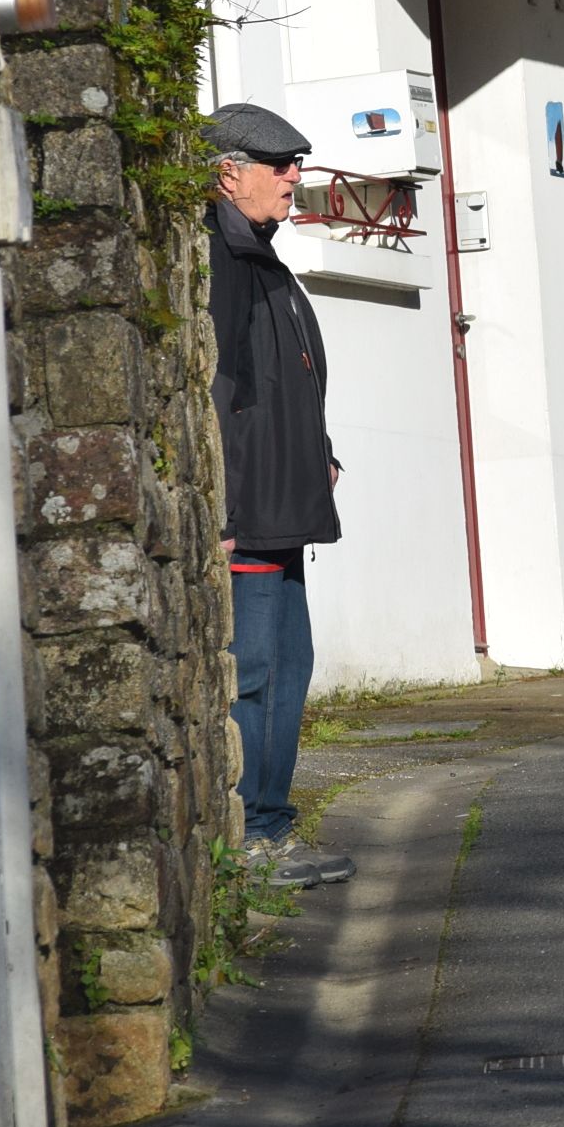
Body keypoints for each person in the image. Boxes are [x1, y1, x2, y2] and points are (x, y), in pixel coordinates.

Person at [205, 102, 352, 890]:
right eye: (281, 163)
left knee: (289, 668)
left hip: (283, 512)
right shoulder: (221, 260)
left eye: (298, 161)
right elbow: (219, 391)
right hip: (251, 516)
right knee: (257, 674)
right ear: (229, 174)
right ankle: (255, 839)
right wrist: (226, 513)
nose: (296, 176)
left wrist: (320, 456)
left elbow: (287, 388)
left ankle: (271, 827)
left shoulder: (263, 261)